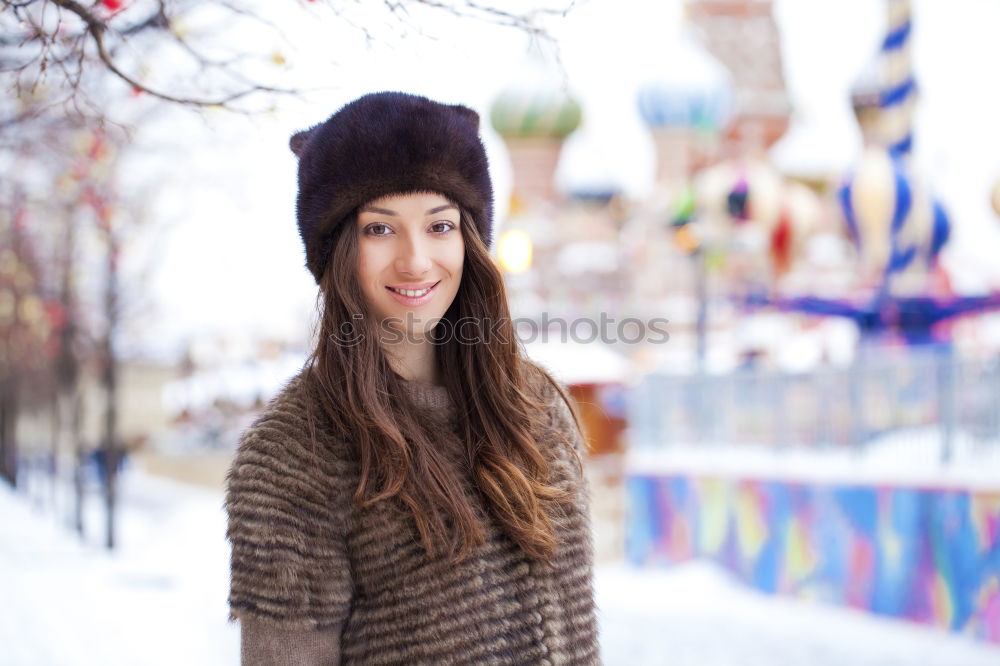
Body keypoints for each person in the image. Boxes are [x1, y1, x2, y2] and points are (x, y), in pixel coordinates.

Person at [224, 91, 600, 665]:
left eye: (439, 225)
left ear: (469, 240)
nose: (416, 259)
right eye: (380, 230)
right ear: (336, 252)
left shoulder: (536, 406)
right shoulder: (295, 454)